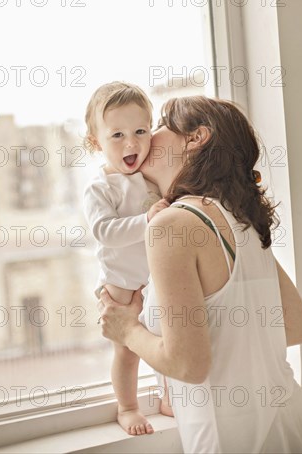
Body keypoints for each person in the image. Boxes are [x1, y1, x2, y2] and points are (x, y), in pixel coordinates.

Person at [98, 96, 302, 453]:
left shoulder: (172, 224)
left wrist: (127, 329)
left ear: (195, 138)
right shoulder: (241, 219)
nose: (148, 137)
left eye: (160, 124)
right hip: (295, 428)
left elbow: (188, 366)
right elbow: (297, 326)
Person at [83, 81, 170, 436]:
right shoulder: (100, 187)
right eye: (117, 135)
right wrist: (146, 220)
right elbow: (104, 230)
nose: (131, 143)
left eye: (140, 131)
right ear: (95, 142)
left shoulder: (152, 176)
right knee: (127, 349)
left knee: (168, 339)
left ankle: (168, 396)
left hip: (159, 276)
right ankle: (128, 406)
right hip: (122, 282)